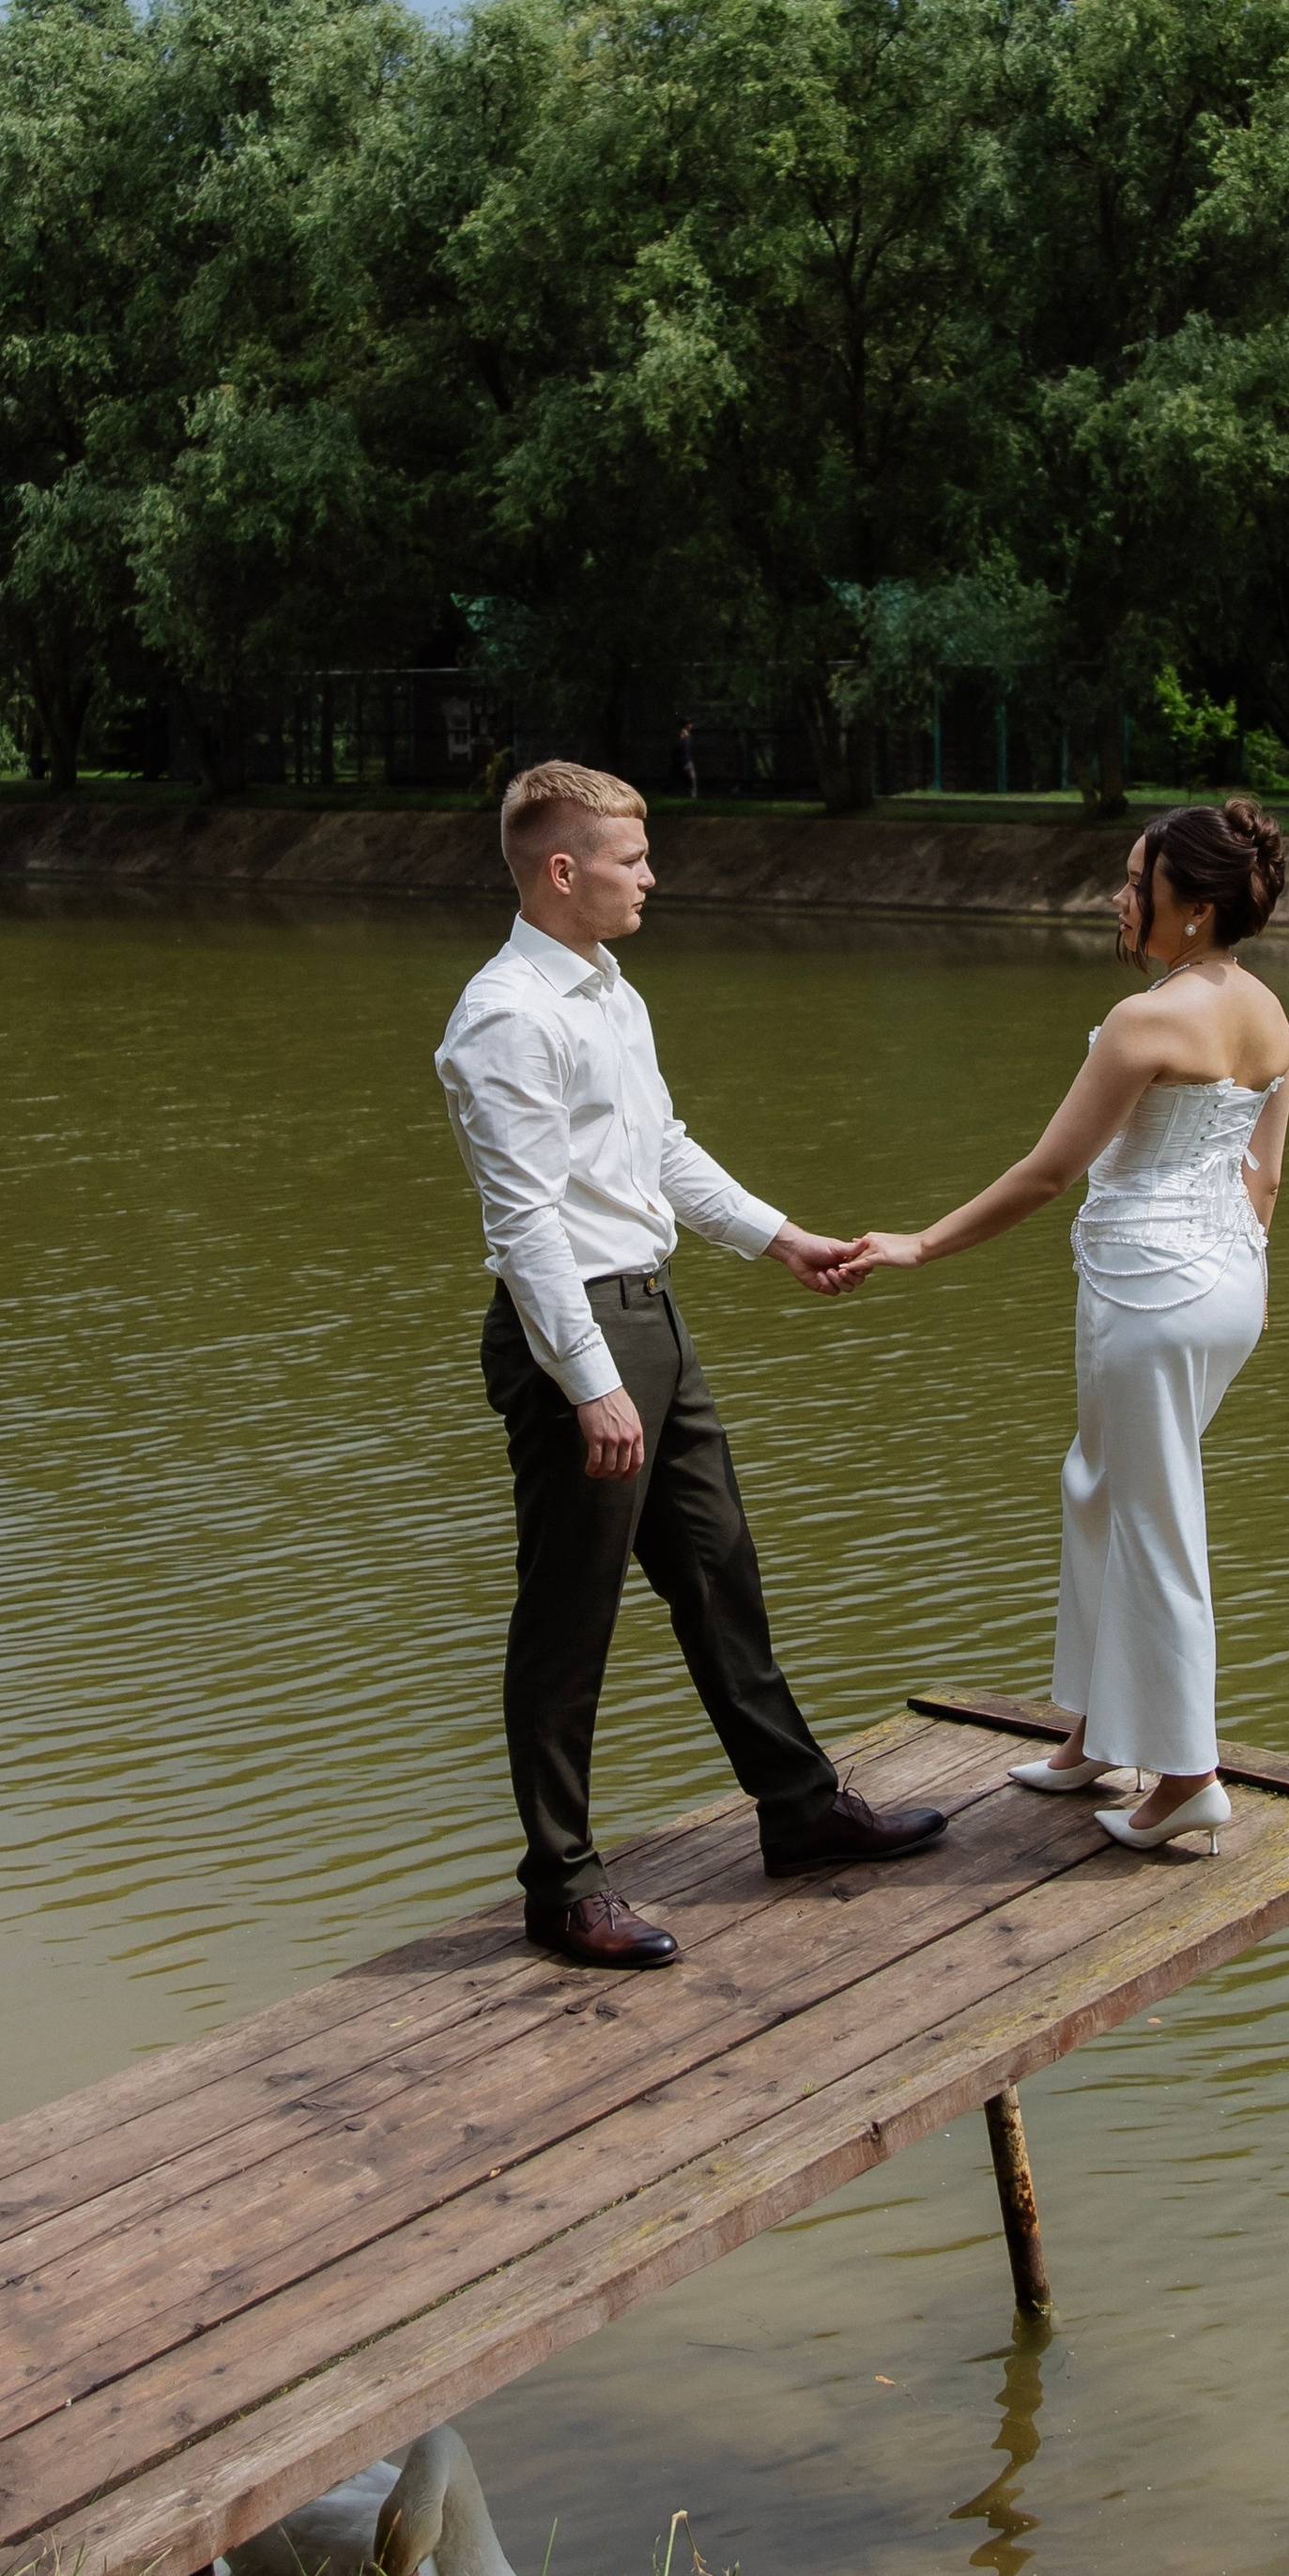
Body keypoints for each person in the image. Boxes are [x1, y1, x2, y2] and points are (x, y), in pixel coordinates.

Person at [437, 760, 947, 1967]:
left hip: (651, 1317)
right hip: (575, 1335)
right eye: (632, 860)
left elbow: (661, 1150)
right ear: (563, 870)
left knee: (720, 1572)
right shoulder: (507, 1015)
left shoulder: (611, 991)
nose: (651, 877)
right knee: (569, 1617)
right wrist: (589, 1382)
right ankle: (563, 1887)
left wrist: (780, 1238)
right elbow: (526, 1225)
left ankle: (800, 1810)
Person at [836, 800, 1289, 1852]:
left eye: (1137, 883)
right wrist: (1236, 1281)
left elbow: (1049, 1172)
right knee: (1100, 1486)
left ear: (1194, 906)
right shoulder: (1271, 1014)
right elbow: (1262, 1180)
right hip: (1221, 1283)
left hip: (1149, 1292)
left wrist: (920, 1245)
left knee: (1153, 1516)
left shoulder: (1144, 1021)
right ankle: (1097, 1732)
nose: (1117, 898)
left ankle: (1188, 1775)